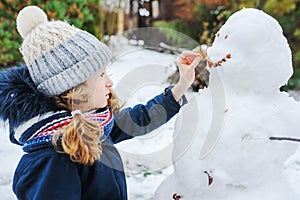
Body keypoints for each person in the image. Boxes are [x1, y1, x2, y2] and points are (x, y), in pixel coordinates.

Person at [0, 5, 201, 200]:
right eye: (101, 75)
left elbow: (139, 119)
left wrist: (181, 85)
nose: (109, 82)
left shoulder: (92, 124)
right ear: (74, 88)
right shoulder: (52, 158)